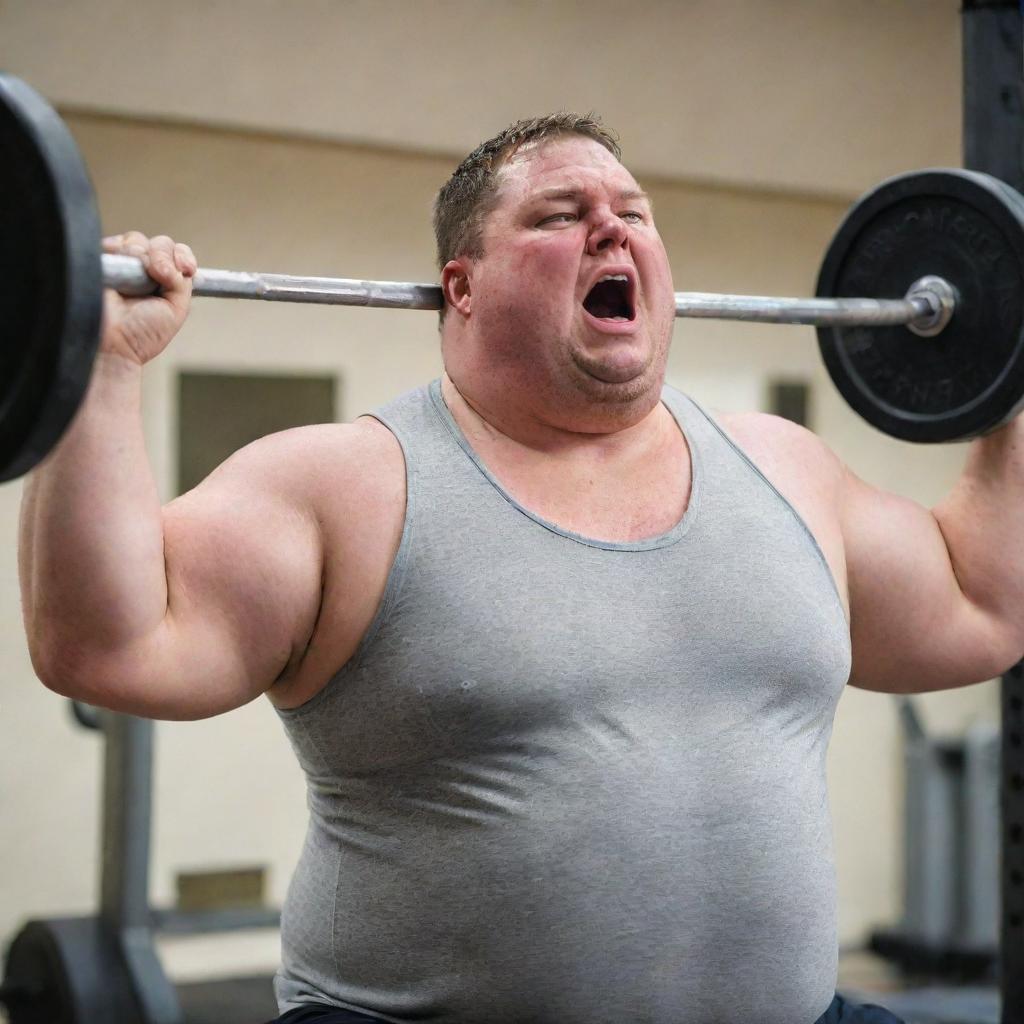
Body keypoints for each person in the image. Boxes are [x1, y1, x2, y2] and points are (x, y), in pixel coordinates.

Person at [18, 113, 1022, 1024]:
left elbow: (981, 603)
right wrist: (99, 364)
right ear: (463, 284)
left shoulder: (783, 468)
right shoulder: (346, 484)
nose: (613, 228)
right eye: (561, 212)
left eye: (634, 210)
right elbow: (110, 645)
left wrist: (1011, 374)